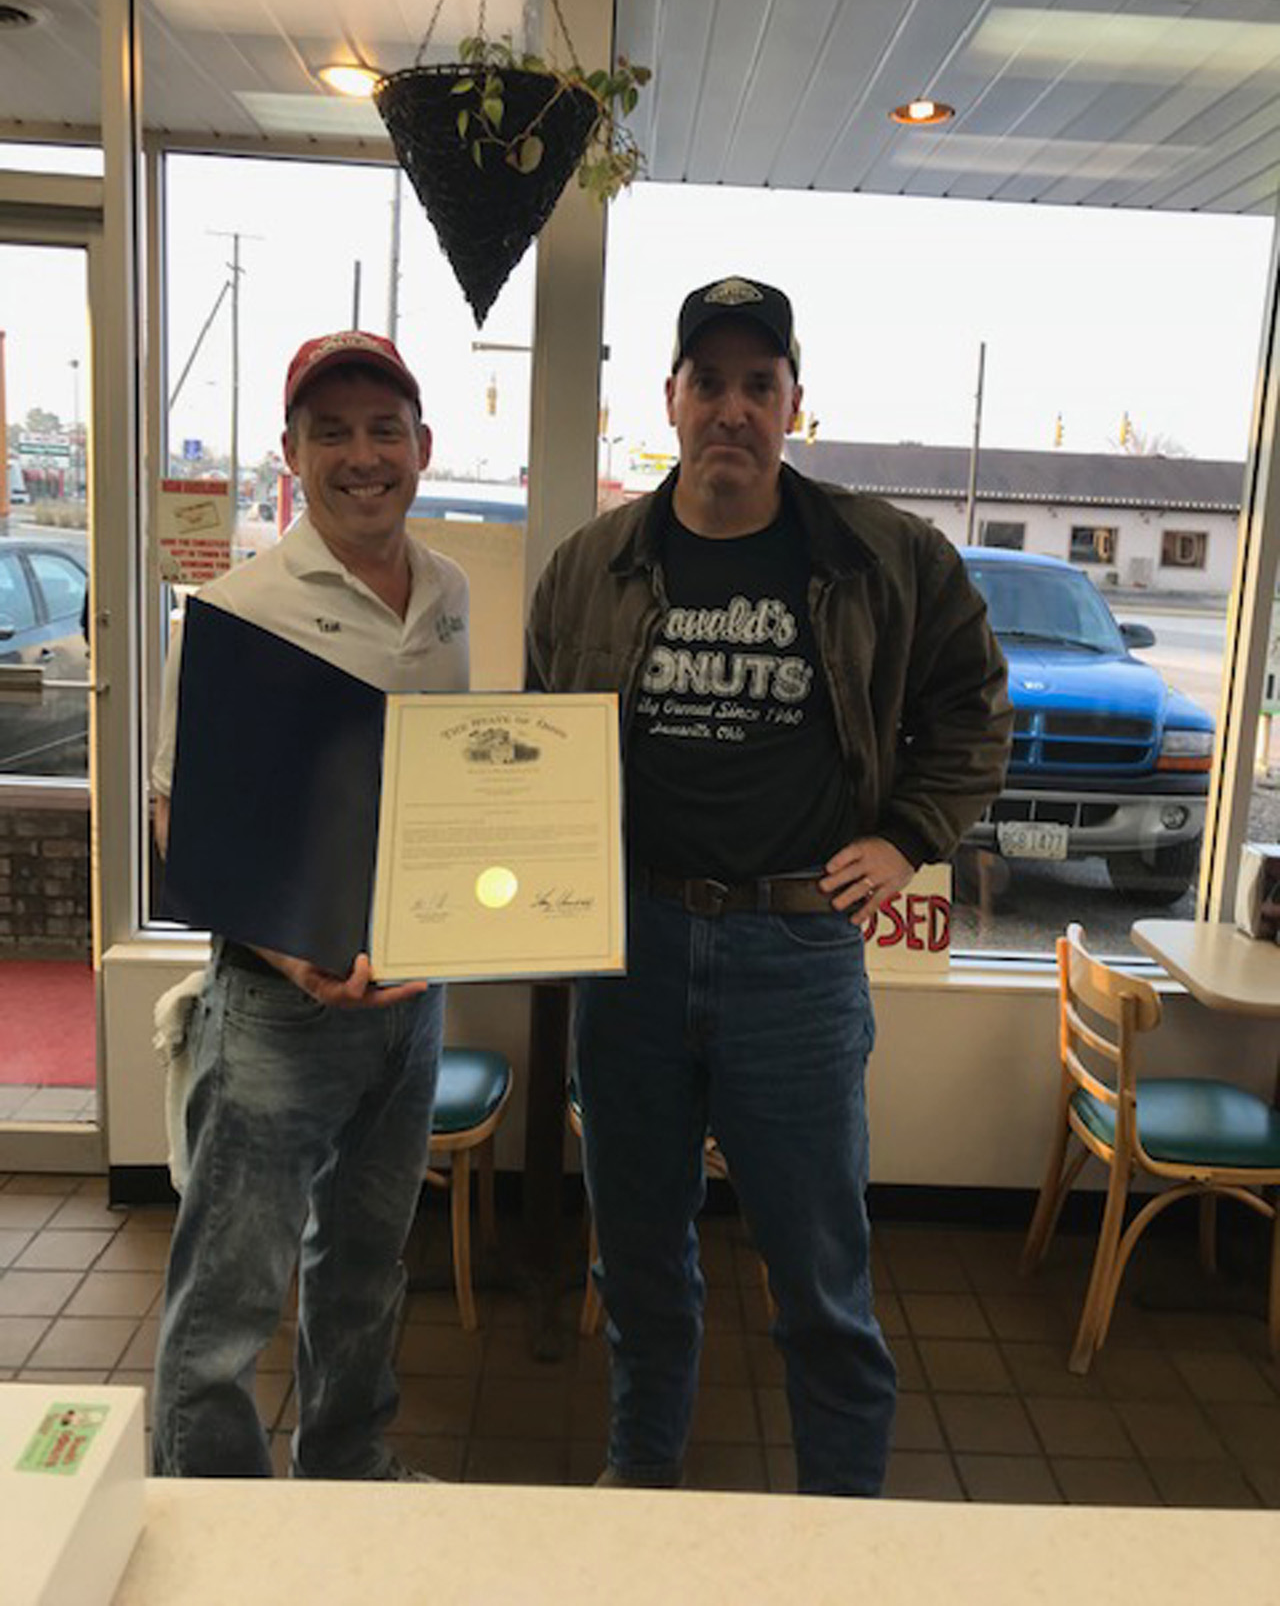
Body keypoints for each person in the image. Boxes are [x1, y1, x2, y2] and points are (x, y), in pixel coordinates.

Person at [526, 276, 1011, 1495]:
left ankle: (840, 1535)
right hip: (628, 947)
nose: (731, 409)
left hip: (793, 959)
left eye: (759, 384)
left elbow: (974, 709)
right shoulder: (595, 564)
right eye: (710, 383)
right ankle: (641, 1490)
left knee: (818, 1282)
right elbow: (541, 739)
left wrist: (907, 835)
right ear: (670, 399)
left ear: (794, 400)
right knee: (637, 1263)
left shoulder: (881, 553)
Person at [150, 329, 469, 1480]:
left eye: (383, 429)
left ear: (422, 447)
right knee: (231, 1289)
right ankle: (211, 1519)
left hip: (409, 1002)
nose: (361, 454)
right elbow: (175, 819)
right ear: (291, 454)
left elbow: (440, 786)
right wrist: (294, 957)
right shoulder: (237, 606)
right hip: (281, 1011)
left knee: (366, 1266)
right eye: (329, 432)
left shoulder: (447, 594)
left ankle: (347, 1471)